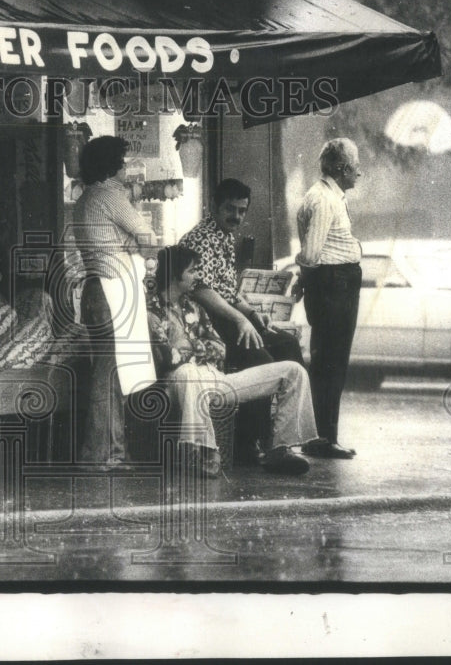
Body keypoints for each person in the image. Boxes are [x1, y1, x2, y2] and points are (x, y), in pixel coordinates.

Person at [147, 246, 318, 476]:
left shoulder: (195, 307)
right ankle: (203, 451)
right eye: (192, 270)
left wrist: (191, 348)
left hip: (214, 378)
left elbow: (220, 348)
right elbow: (168, 358)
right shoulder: (152, 312)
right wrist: (198, 350)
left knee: (293, 371)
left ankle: (280, 448)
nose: (197, 275)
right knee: (187, 372)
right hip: (178, 382)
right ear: (175, 274)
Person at [179, 178, 305, 456]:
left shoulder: (224, 236)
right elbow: (201, 290)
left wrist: (253, 314)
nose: (236, 216)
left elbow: (228, 290)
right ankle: (248, 444)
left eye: (241, 210)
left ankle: (280, 439)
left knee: (287, 345)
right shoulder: (200, 238)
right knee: (261, 361)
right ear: (214, 205)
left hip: (228, 317)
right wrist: (240, 320)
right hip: (206, 324)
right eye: (230, 209)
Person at [71, 136, 157, 465]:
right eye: (122, 162)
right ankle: (100, 455)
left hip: (95, 290)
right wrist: (144, 255)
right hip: (113, 290)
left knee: (109, 372)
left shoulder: (85, 198)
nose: (125, 168)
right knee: (109, 375)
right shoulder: (110, 194)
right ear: (111, 166)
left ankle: (114, 452)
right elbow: (148, 237)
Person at [293, 137, 363, 459]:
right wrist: (306, 279)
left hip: (333, 283)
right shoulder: (324, 200)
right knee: (331, 363)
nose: (358, 173)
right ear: (339, 168)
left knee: (328, 361)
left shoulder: (328, 196)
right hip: (334, 284)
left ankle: (322, 435)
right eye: (354, 166)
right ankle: (322, 438)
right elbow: (310, 253)